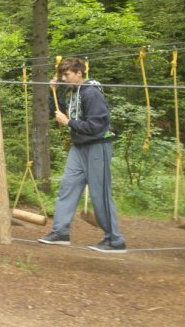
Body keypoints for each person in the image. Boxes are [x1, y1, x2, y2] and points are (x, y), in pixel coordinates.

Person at [38, 57, 126, 253]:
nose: (64, 78)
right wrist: (54, 92)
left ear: (79, 73)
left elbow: (97, 125)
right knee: (67, 187)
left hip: (97, 146)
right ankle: (60, 232)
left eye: (67, 74)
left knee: (99, 194)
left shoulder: (91, 92)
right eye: (62, 75)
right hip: (79, 147)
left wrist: (69, 123)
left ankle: (115, 240)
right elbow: (59, 112)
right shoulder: (73, 92)